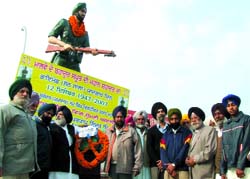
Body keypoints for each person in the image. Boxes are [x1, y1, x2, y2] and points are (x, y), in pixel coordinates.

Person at [0, 79, 39, 178]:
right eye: (21, 91)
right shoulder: (5, 110)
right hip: (9, 169)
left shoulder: (28, 116)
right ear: (14, 93)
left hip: (25, 170)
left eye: (27, 92)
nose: (25, 94)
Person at [48, 2, 97, 72]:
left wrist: (92, 51)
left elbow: (86, 48)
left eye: (85, 12)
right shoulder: (64, 23)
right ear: (76, 11)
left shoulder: (85, 33)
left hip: (75, 65)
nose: (84, 14)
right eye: (82, 11)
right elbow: (50, 38)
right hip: (61, 60)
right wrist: (64, 45)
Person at [104, 105, 142, 179]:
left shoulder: (131, 131)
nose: (119, 119)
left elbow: (138, 150)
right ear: (114, 118)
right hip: (111, 168)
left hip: (126, 168)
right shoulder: (108, 131)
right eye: (117, 117)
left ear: (124, 118)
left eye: (121, 117)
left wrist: (137, 166)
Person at [220, 94, 250, 179]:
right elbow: (224, 149)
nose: (231, 108)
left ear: (237, 105)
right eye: (228, 106)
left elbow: (246, 144)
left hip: (244, 168)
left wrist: (240, 166)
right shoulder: (226, 125)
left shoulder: (246, 120)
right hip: (230, 168)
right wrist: (222, 171)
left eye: (233, 105)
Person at [185, 107, 217, 179]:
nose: (193, 120)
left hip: (205, 173)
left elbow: (210, 151)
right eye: (191, 118)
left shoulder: (210, 130)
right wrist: (187, 159)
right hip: (193, 172)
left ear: (201, 117)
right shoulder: (193, 133)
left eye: (195, 117)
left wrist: (194, 159)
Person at [160, 108, 192, 179]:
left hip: (182, 170)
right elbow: (162, 152)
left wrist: (174, 164)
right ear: (169, 120)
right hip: (169, 170)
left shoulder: (187, 133)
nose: (174, 121)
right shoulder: (165, 135)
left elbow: (184, 150)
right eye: (172, 119)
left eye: (176, 119)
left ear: (180, 119)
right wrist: (168, 167)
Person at [49, 105, 79, 179]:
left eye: (61, 114)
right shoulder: (51, 127)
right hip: (57, 166)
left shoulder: (72, 129)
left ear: (66, 116)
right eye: (57, 114)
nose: (58, 116)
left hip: (71, 166)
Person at [30, 103, 57, 179]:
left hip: (45, 168)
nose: (50, 116)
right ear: (42, 112)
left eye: (52, 115)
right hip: (34, 168)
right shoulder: (34, 125)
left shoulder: (48, 128)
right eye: (48, 113)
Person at [147, 102, 168, 179]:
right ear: (155, 115)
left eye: (162, 111)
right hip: (155, 165)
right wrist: (158, 162)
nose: (160, 113)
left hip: (168, 164)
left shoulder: (170, 129)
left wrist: (165, 162)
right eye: (158, 112)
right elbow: (149, 148)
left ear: (165, 113)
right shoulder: (151, 131)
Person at [210, 103, 229, 179]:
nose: (217, 116)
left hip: (230, 171)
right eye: (215, 114)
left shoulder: (230, 129)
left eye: (219, 113)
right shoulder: (214, 131)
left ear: (224, 114)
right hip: (217, 172)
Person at [133, 110, 151, 179]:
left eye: (143, 119)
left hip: (146, 163)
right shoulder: (132, 132)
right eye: (139, 119)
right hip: (136, 164)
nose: (141, 121)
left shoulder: (149, 132)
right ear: (136, 120)